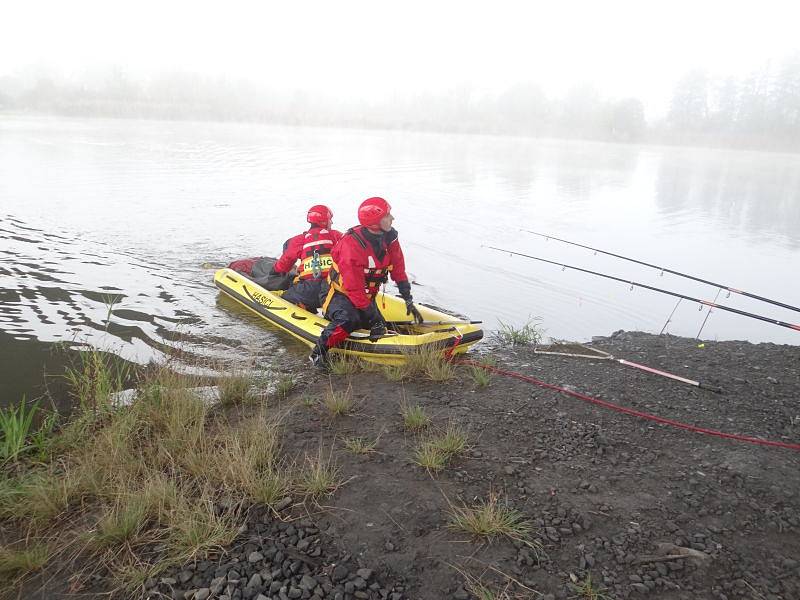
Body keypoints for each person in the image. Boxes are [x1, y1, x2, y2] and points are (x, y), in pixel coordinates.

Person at [310, 196, 423, 368]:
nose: (392, 218)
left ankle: (369, 320)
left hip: (365, 295)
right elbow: (353, 288)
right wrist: (373, 316)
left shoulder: (389, 239)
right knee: (348, 320)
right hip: (338, 294)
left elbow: (398, 269)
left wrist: (407, 298)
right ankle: (318, 353)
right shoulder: (351, 246)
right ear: (375, 221)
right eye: (387, 215)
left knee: (378, 324)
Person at [270, 204, 343, 312]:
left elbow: (285, 262)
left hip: (308, 290)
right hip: (331, 291)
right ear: (325, 221)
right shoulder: (336, 236)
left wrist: (274, 271)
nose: (331, 222)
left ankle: (303, 306)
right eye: (330, 219)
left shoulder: (299, 240)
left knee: (285, 296)